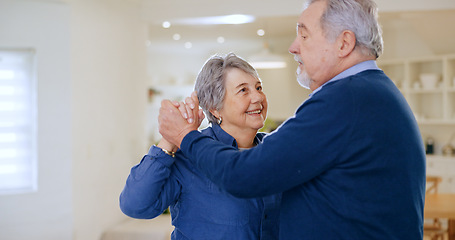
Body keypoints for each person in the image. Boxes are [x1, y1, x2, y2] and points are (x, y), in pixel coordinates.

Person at [157, 0, 426, 239]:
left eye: (304, 36)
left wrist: (185, 135)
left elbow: (244, 175)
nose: (293, 47)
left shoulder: (346, 99)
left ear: (344, 43)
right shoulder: (372, 92)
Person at [119, 53, 281, 240]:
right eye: (243, 90)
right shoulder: (190, 155)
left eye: (259, 87)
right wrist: (171, 138)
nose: (258, 97)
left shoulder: (274, 151)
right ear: (214, 107)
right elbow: (135, 205)